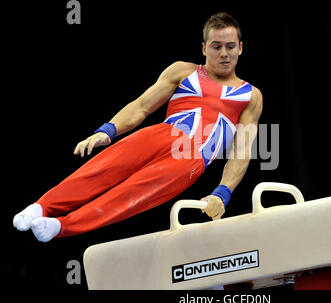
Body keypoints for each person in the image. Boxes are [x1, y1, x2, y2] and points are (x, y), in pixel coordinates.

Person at [12, 12, 263, 242]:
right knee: (103, 169)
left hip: (191, 158)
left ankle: (61, 226)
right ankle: (42, 206)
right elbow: (142, 106)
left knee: (130, 195)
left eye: (230, 47)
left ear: (240, 48)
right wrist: (107, 130)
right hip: (161, 134)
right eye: (216, 46)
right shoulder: (183, 71)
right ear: (204, 48)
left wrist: (222, 193)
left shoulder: (250, 95)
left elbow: (241, 151)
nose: (224, 53)